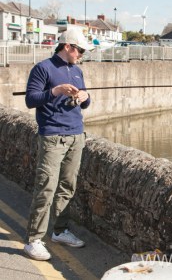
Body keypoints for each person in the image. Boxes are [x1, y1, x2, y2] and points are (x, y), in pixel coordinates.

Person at [23, 29, 93, 261]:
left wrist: (85, 97)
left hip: (76, 135)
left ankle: (60, 231)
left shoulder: (76, 70)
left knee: (68, 186)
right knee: (46, 187)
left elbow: (84, 101)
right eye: (80, 50)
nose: (82, 55)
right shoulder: (43, 68)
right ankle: (34, 239)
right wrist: (55, 91)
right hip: (53, 136)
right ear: (68, 46)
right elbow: (31, 99)